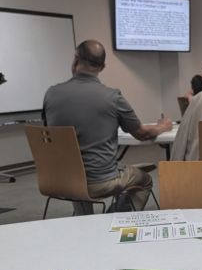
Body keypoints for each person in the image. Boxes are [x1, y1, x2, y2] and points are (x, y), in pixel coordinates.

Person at [42, 40, 171, 214]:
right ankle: (113, 220)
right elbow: (141, 134)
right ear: (102, 67)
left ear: (75, 59)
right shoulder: (112, 97)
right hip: (100, 182)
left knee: (79, 172)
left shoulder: (51, 94)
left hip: (59, 179)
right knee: (145, 180)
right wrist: (162, 126)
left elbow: (49, 134)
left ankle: (84, 220)